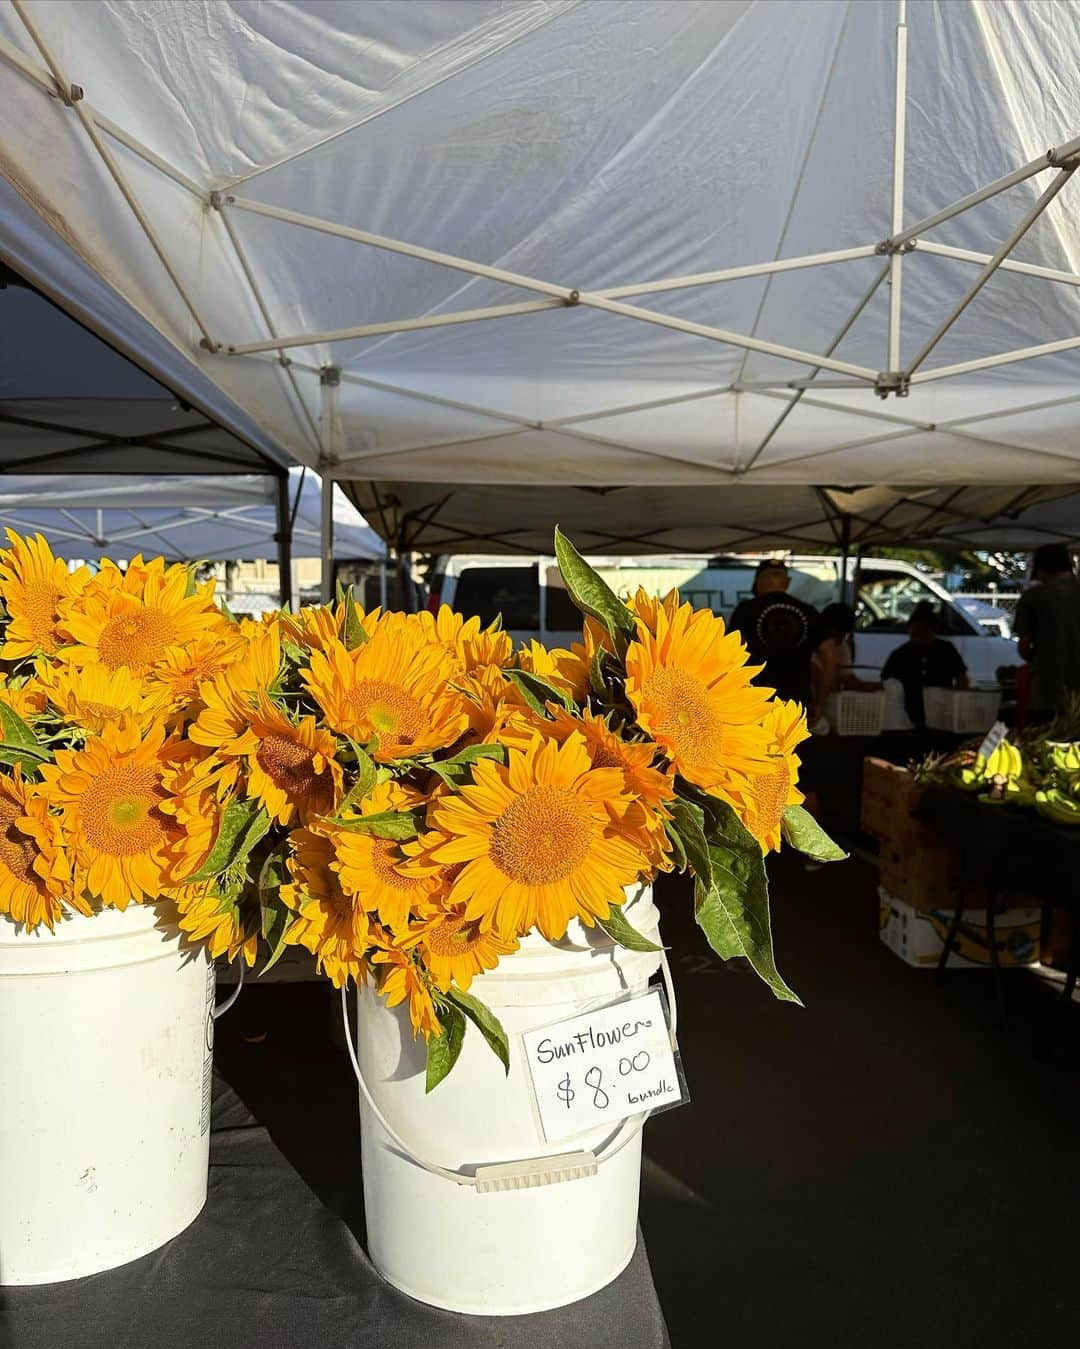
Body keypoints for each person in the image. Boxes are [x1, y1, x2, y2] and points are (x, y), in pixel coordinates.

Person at [731, 559, 824, 707]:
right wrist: (820, 702)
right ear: (787, 582)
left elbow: (732, 653)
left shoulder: (745, 611)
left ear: (759, 582)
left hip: (755, 699)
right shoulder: (809, 611)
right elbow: (827, 656)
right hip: (796, 701)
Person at [1013, 543, 1080, 722]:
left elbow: (1024, 647)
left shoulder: (1033, 597)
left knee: (1046, 747)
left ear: (1039, 568)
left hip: (1048, 695)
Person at [880, 602, 968, 725]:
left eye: (924, 635)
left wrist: (955, 703)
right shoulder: (900, 654)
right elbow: (887, 684)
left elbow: (962, 678)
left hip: (942, 713)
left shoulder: (946, 649)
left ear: (933, 632)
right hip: (908, 716)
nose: (919, 640)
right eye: (915, 635)